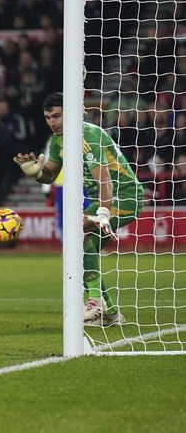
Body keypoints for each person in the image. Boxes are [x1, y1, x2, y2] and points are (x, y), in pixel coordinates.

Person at [14, 92, 144, 326]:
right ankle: (111, 313)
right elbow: (50, 174)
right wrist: (34, 173)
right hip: (102, 201)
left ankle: (95, 300)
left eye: (57, 115)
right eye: (47, 117)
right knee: (79, 248)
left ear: (71, 112)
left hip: (125, 197)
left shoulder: (89, 134)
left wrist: (103, 213)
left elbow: (104, 179)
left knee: (80, 236)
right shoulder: (58, 141)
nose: (52, 122)